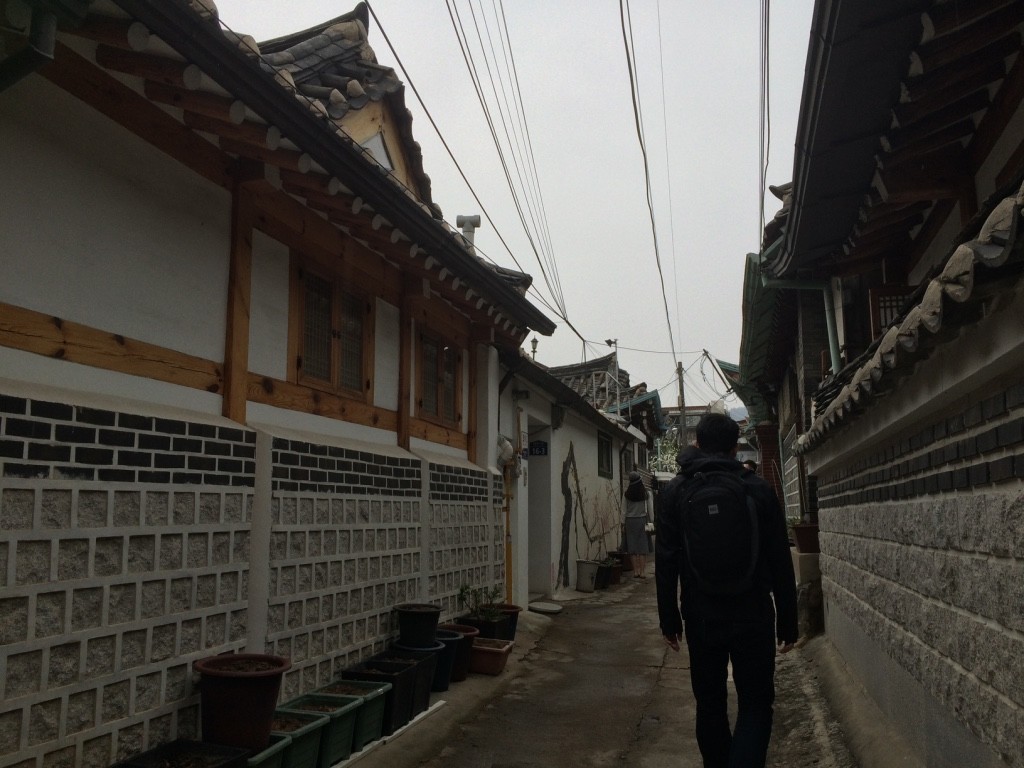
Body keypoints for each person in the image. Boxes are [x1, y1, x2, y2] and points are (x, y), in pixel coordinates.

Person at [655, 413, 797, 768]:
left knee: (710, 703)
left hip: (702, 616)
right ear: (736, 448)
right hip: (753, 614)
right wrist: (789, 622)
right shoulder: (759, 489)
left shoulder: (675, 492)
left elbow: (666, 560)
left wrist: (668, 620)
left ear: (697, 444)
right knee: (755, 704)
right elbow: (780, 559)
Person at [622, 470, 652, 578]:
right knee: (643, 546)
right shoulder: (646, 493)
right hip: (642, 520)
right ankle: (643, 572)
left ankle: (636, 571)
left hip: (630, 521)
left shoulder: (626, 494)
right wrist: (651, 520)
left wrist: (622, 523)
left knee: (632, 546)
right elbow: (650, 509)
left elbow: (623, 510)